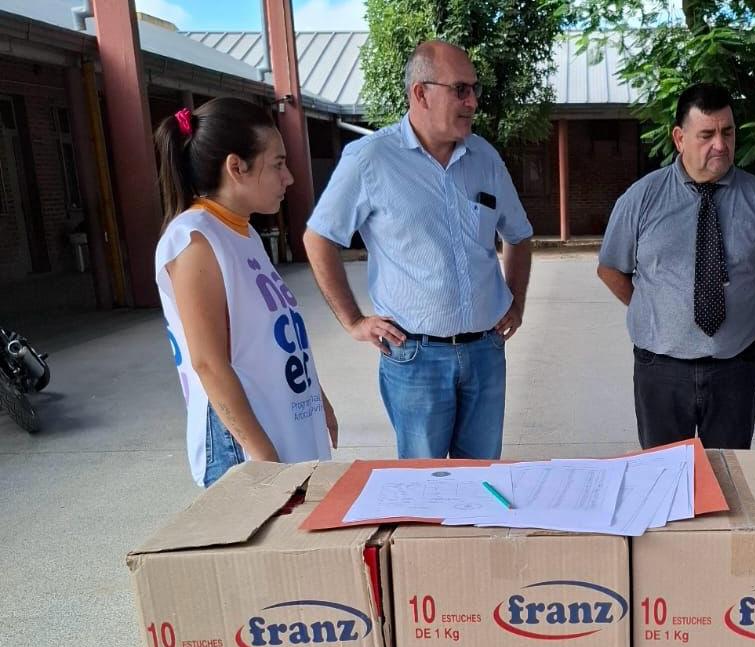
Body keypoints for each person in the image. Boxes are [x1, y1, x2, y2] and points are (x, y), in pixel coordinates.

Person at [304, 40, 533, 460]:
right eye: (460, 90)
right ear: (420, 93)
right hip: (415, 358)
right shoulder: (369, 159)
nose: (473, 102)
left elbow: (518, 234)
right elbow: (319, 237)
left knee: (482, 478)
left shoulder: (485, 158)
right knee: (424, 486)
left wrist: (514, 302)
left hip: (485, 352)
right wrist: (354, 320)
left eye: (474, 90)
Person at [597, 83, 755, 450]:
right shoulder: (642, 198)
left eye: (728, 132)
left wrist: (751, 306)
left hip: (737, 366)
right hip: (661, 369)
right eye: (706, 134)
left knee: (730, 478)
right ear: (679, 138)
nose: (720, 144)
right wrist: (656, 308)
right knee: (664, 480)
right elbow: (611, 268)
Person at [153, 97, 335, 488]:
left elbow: (274, 337)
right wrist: (263, 459)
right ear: (236, 167)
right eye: (278, 164)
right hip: (246, 445)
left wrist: (319, 402)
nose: (289, 178)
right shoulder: (194, 240)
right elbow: (209, 363)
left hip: (281, 425)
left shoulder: (242, 231)